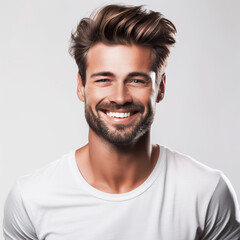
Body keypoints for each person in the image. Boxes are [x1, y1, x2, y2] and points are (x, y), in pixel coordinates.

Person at [3, 4, 240, 240]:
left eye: (136, 80)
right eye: (104, 79)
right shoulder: (31, 200)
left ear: (160, 88)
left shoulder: (207, 193)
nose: (119, 97)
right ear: (81, 86)